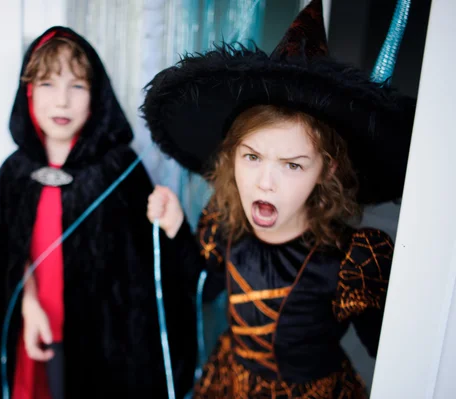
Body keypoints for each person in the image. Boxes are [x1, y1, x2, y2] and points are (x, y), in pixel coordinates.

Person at [142, 0, 415, 397]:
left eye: (292, 165)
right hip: (228, 380)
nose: (265, 183)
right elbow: (205, 288)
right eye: (252, 157)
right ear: (231, 155)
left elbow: (394, 354)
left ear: (327, 170)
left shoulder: (351, 261)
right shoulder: (225, 224)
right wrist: (177, 228)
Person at [0, 26, 196, 399]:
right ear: (29, 92)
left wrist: (173, 226)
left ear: (97, 96)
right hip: (34, 328)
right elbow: (1, 257)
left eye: (78, 86)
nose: (62, 102)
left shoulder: (120, 169)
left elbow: (154, 268)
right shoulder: (14, 173)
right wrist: (28, 300)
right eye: (48, 84)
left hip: (102, 343)